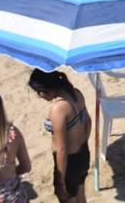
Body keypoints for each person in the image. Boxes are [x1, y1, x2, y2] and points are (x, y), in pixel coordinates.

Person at [27, 69, 91, 203]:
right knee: (80, 195)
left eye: (39, 92)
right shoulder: (76, 94)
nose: (40, 96)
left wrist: (60, 180)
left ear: (47, 90)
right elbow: (88, 122)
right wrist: (82, 142)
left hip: (69, 162)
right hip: (83, 153)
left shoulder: (58, 109)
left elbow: (61, 148)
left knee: (67, 198)